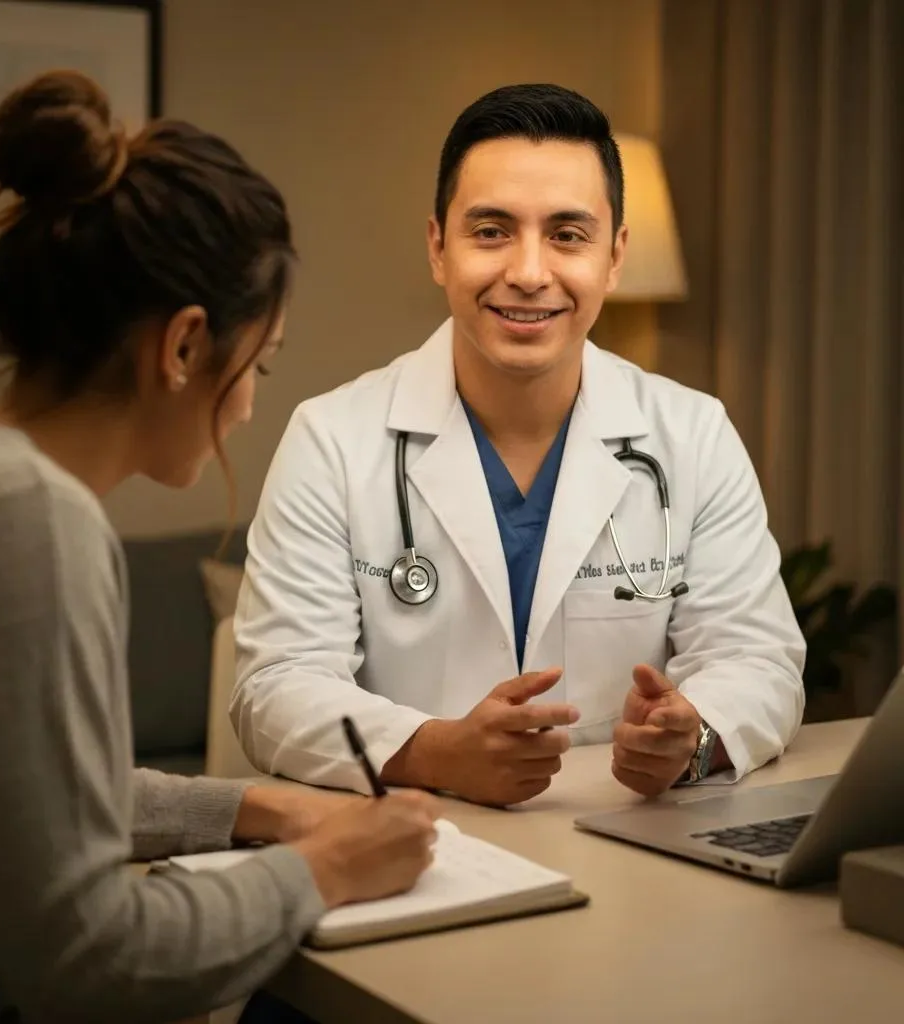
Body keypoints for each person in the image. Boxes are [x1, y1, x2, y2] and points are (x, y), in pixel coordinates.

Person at [0, 70, 441, 1024]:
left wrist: (252, 810)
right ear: (184, 348)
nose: (255, 399)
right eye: (256, 364)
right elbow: (84, 956)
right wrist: (325, 868)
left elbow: (22, 786)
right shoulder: (25, 520)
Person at [231, 83, 807, 808]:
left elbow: (759, 658)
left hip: (626, 846)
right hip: (412, 845)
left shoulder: (692, 434)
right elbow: (274, 687)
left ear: (614, 256)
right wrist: (438, 751)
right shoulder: (333, 441)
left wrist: (692, 736)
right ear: (439, 247)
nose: (529, 273)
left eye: (568, 235)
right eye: (492, 230)